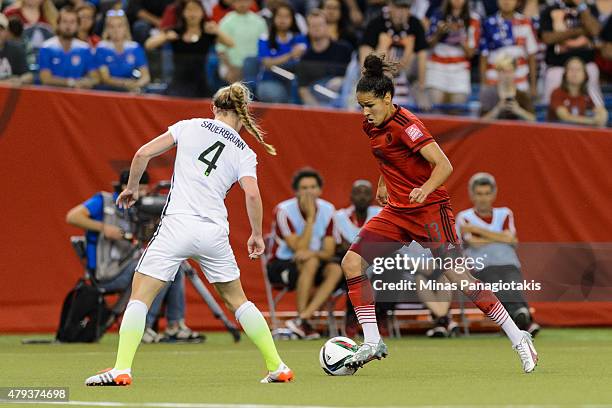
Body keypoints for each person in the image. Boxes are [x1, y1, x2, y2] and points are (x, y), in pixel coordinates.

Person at [339, 53, 538, 374]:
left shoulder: (410, 126)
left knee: (460, 278)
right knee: (351, 262)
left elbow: (444, 165)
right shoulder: (371, 124)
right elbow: (388, 155)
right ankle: (372, 341)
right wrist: (383, 181)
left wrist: (425, 189)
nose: (365, 112)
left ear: (388, 99)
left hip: (430, 210)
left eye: (370, 106)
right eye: (361, 105)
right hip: (397, 212)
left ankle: (519, 338)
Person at [84, 82, 294, 386]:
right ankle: (278, 366)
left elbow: (143, 153)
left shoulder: (190, 126)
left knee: (140, 294)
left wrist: (131, 188)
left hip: (177, 225)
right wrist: (256, 234)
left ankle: (121, 369)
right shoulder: (245, 152)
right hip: (214, 231)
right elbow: (251, 194)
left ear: (214, 108)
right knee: (238, 301)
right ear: (243, 112)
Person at [65, 170, 201, 344]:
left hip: (130, 265)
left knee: (174, 266)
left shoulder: (140, 208)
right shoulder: (104, 201)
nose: (143, 193)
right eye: (139, 188)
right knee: (158, 268)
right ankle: (144, 327)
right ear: (125, 187)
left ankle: (175, 325)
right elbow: (72, 216)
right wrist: (103, 228)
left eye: (145, 189)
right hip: (107, 271)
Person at [456, 172, 540, 336]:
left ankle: (519, 320)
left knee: (511, 282)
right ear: (472, 195)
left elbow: (511, 240)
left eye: (487, 194)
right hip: (483, 266)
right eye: (479, 194)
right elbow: (474, 243)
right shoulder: (464, 217)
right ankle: (524, 318)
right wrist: (499, 237)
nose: (483, 198)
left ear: (493, 194)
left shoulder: (504, 213)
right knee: (497, 283)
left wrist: (477, 230)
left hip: (508, 262)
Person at [268, 168, 343, 339]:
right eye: (304, 188)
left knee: (336, 269)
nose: (309, 192)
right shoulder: (283, 210)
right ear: (296, 192)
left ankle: (302, 319)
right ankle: (303, 322)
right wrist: (310, 218)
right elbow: (298, 249)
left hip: (314, 262)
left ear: (319, 190)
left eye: (313, 187)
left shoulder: (328, 209)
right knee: (310, 262)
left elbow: (329, 251)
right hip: (283, 264)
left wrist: (313, 254)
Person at [145, 0, 234, 97]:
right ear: (183, 13)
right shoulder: (176, 32)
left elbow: (231, 43)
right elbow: (148, 45)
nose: (192, 14)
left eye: (196, 10)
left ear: (202, 12)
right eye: (189, 10)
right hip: (178, 83)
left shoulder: (208, 33)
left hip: (201, 84)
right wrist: (165, 37)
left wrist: (217, 31)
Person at [333, 179, 383, 338]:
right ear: (351, 196)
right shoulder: (339, 216)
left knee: (391, 271)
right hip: (350, 265)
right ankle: (351, 317)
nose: (362, 197)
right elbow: (340, 245)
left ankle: (382, 316)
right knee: (352, 270)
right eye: (358, 193)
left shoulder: (381, 214)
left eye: (366, 193)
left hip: (377, 263)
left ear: (372, 197)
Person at [359, 0, 429, 108]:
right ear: (390, 6)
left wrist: (421, 86)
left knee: (416, 53)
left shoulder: (415, 24)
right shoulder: (376, 23)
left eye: (405, 7)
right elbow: (364, 58)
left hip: (406, 73)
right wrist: (383, 47)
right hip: (379, 74)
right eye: (398, 7)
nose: (401, 12)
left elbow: (422, 56)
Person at [539, 0, 602, 103]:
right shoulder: (549, 9)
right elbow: (548, 38)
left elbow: (594, 31)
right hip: (557, 67)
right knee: (550, 107)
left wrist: (581, 5)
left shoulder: (589, 8)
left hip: (586, 66)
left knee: (596, 107)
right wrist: (578, 31)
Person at [425, 0, 480, 108]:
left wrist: (460, 37)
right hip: (437, 68)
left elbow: (471, 53)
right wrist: (439, 33)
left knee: (457, 111)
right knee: (435, 109)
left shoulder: (473, 18)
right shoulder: (438, 14)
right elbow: (428, 44)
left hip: (460, 70)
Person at [479, 0, 538, 99]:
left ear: (518, 2)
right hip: (494, 82)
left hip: (520, 83)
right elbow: (483, 57)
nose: (506, 1)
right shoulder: (488, 23)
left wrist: (533, 86)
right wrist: (484, 85)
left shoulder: (526, 22)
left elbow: (532, 56)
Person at [295, 9, 352, 106]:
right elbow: (303, 90)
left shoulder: (344, 49)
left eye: (320, 25)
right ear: (308, 29)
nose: (317, 28)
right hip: (316, 104)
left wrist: (342, 80)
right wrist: (319, 112)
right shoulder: (305, 57)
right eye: (313, 26)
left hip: (343, 98)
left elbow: (354, 76)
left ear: (327, 27)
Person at [256, 1, 307, 103]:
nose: (282, 20)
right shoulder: (264, 38)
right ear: (273, 18)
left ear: (292, 19)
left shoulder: (299, 38)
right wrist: (290, 55)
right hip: (270, 80)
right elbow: (267, 63)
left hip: (294, 80)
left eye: (287, 17)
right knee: (279, 95)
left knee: (299, 89)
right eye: (279, 16)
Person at [38, 7, 98, 89]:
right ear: (58, 24)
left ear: (78, 25)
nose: (68, 26)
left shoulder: (85, 48)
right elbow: (46, 79)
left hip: (78, 96)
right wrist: (71, 82)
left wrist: (88, 82)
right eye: (64, 21)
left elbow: (95, 77)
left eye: (72, 22)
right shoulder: (46, 47)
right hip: (52, 96)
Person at [96, 10, 151, 93]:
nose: (116, 30)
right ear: (107, 29)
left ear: (125, 28)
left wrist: (137, 85)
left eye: (120, 26)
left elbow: (146, 77)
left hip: (131, 89)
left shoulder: (135, 47)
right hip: (109, 90)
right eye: (112, 27)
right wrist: (125, 84)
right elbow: (105, 78)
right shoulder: (101, 48)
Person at [547, 56, 608, 127]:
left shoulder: (590, 92)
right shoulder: (557, 92)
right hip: (559, 134)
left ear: (585, 75)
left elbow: (602, 111)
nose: (574, 73)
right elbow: (565, 117)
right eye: (571, 69)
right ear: (565, 74)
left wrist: (601, 117)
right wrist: (592, 121)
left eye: (578, 70)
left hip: (583, 135)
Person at [216, 0, 267, 83]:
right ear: (233, 2)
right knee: (231, 77)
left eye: (245, 1)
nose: (242, 4)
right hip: (230, 65)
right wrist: (231, 68)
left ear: (251, 2)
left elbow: (264, 48)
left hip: (255, 65)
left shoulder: (260, 22)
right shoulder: (225, 22)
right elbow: (220, 50)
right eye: (239, 1)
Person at [481, 54, 535, 121]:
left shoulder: (522, 95)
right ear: (498, 73)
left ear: (514, 72)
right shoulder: (488, 94)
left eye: (510, 71)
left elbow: (533, 120)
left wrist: (518, 110)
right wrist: (498, 109)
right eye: (503, 71)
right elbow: (481, 121)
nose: (507, 75)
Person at [0, 13, 33, 85]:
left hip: (10, 93)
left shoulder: (16, 49)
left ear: (7, 32)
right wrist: (5, 83)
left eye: (1, 30)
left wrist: (20, 80)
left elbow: (28, 76)